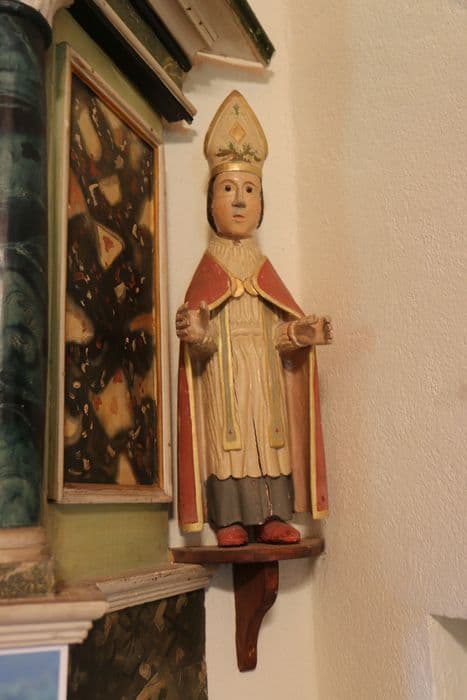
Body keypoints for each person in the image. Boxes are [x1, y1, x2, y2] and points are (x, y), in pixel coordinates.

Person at [176, 91, 332, 546]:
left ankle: (273, 515)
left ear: (262, 205)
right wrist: (199, 334)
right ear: (211, 203)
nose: (240, 201)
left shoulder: (264, 270)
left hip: (265, 381)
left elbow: (277, 334)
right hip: (224, 380)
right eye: (228, 190)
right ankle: (229, 518)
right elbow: (200, 343)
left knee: (268, 441)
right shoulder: (208, 272)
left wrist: (300, 332)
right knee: (230, 448)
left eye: (249, 190)